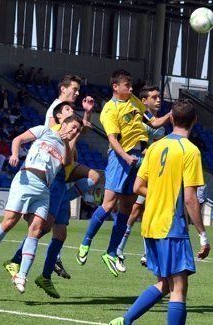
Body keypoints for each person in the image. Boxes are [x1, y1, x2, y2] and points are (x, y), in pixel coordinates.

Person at [108, 99, 210, 325]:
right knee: (179, 289)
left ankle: (125, 320)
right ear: (194, 120)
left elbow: (137, 187)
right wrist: (203, 235)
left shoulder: (154, 147)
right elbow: (191, 198)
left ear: (171, 118)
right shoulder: (190, 150)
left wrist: (160, 191)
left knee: (165, 284)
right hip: (171, 226)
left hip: (151, 224)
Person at [77, 70, 170, 277]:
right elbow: (112, 139)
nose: (130, 88)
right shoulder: (109, 109)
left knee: (126, 208)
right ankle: (86, 241)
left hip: (137, 157)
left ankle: (111, 252)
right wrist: (126, 158)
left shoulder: (136, 102)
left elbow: (153, 123)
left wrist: (172, 115)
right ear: (115, 87)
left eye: (130, 85)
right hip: (120, 158)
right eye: (126, 85)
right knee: (109, 204)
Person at [3, 101, 101, 297]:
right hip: (57, 180)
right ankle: (15, 260)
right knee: (43, 228)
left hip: (65, 180)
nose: (71, 111)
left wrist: (88, 114)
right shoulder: (54, 131)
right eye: (67, 110)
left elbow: (77, 136)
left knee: (60, 234)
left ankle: (45, 276)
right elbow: (64, 151)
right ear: (58, 117)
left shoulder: (71, 130)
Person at [0, 115, 83, 294]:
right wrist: (15, 153)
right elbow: (19, 139)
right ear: (63, 124)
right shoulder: (44, 131)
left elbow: (66, 163)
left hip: (44, 190)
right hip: (26, 179)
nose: (74, 131)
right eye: (72, 127)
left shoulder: (67, 150)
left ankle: (21, 275)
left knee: (35, 231)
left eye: (78, 130)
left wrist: (65, 142)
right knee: (9, 222)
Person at [115, 85, 166, 272]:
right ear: (144, 102)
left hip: (152, 172)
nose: (158, 100)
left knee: (145, 211)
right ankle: (119, 250)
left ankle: (145, 254)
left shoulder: (157, 124)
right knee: (136, 209)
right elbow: (144, 148)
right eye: (154, 97)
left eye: (159, 96)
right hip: (143, 172)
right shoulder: (143, 123)